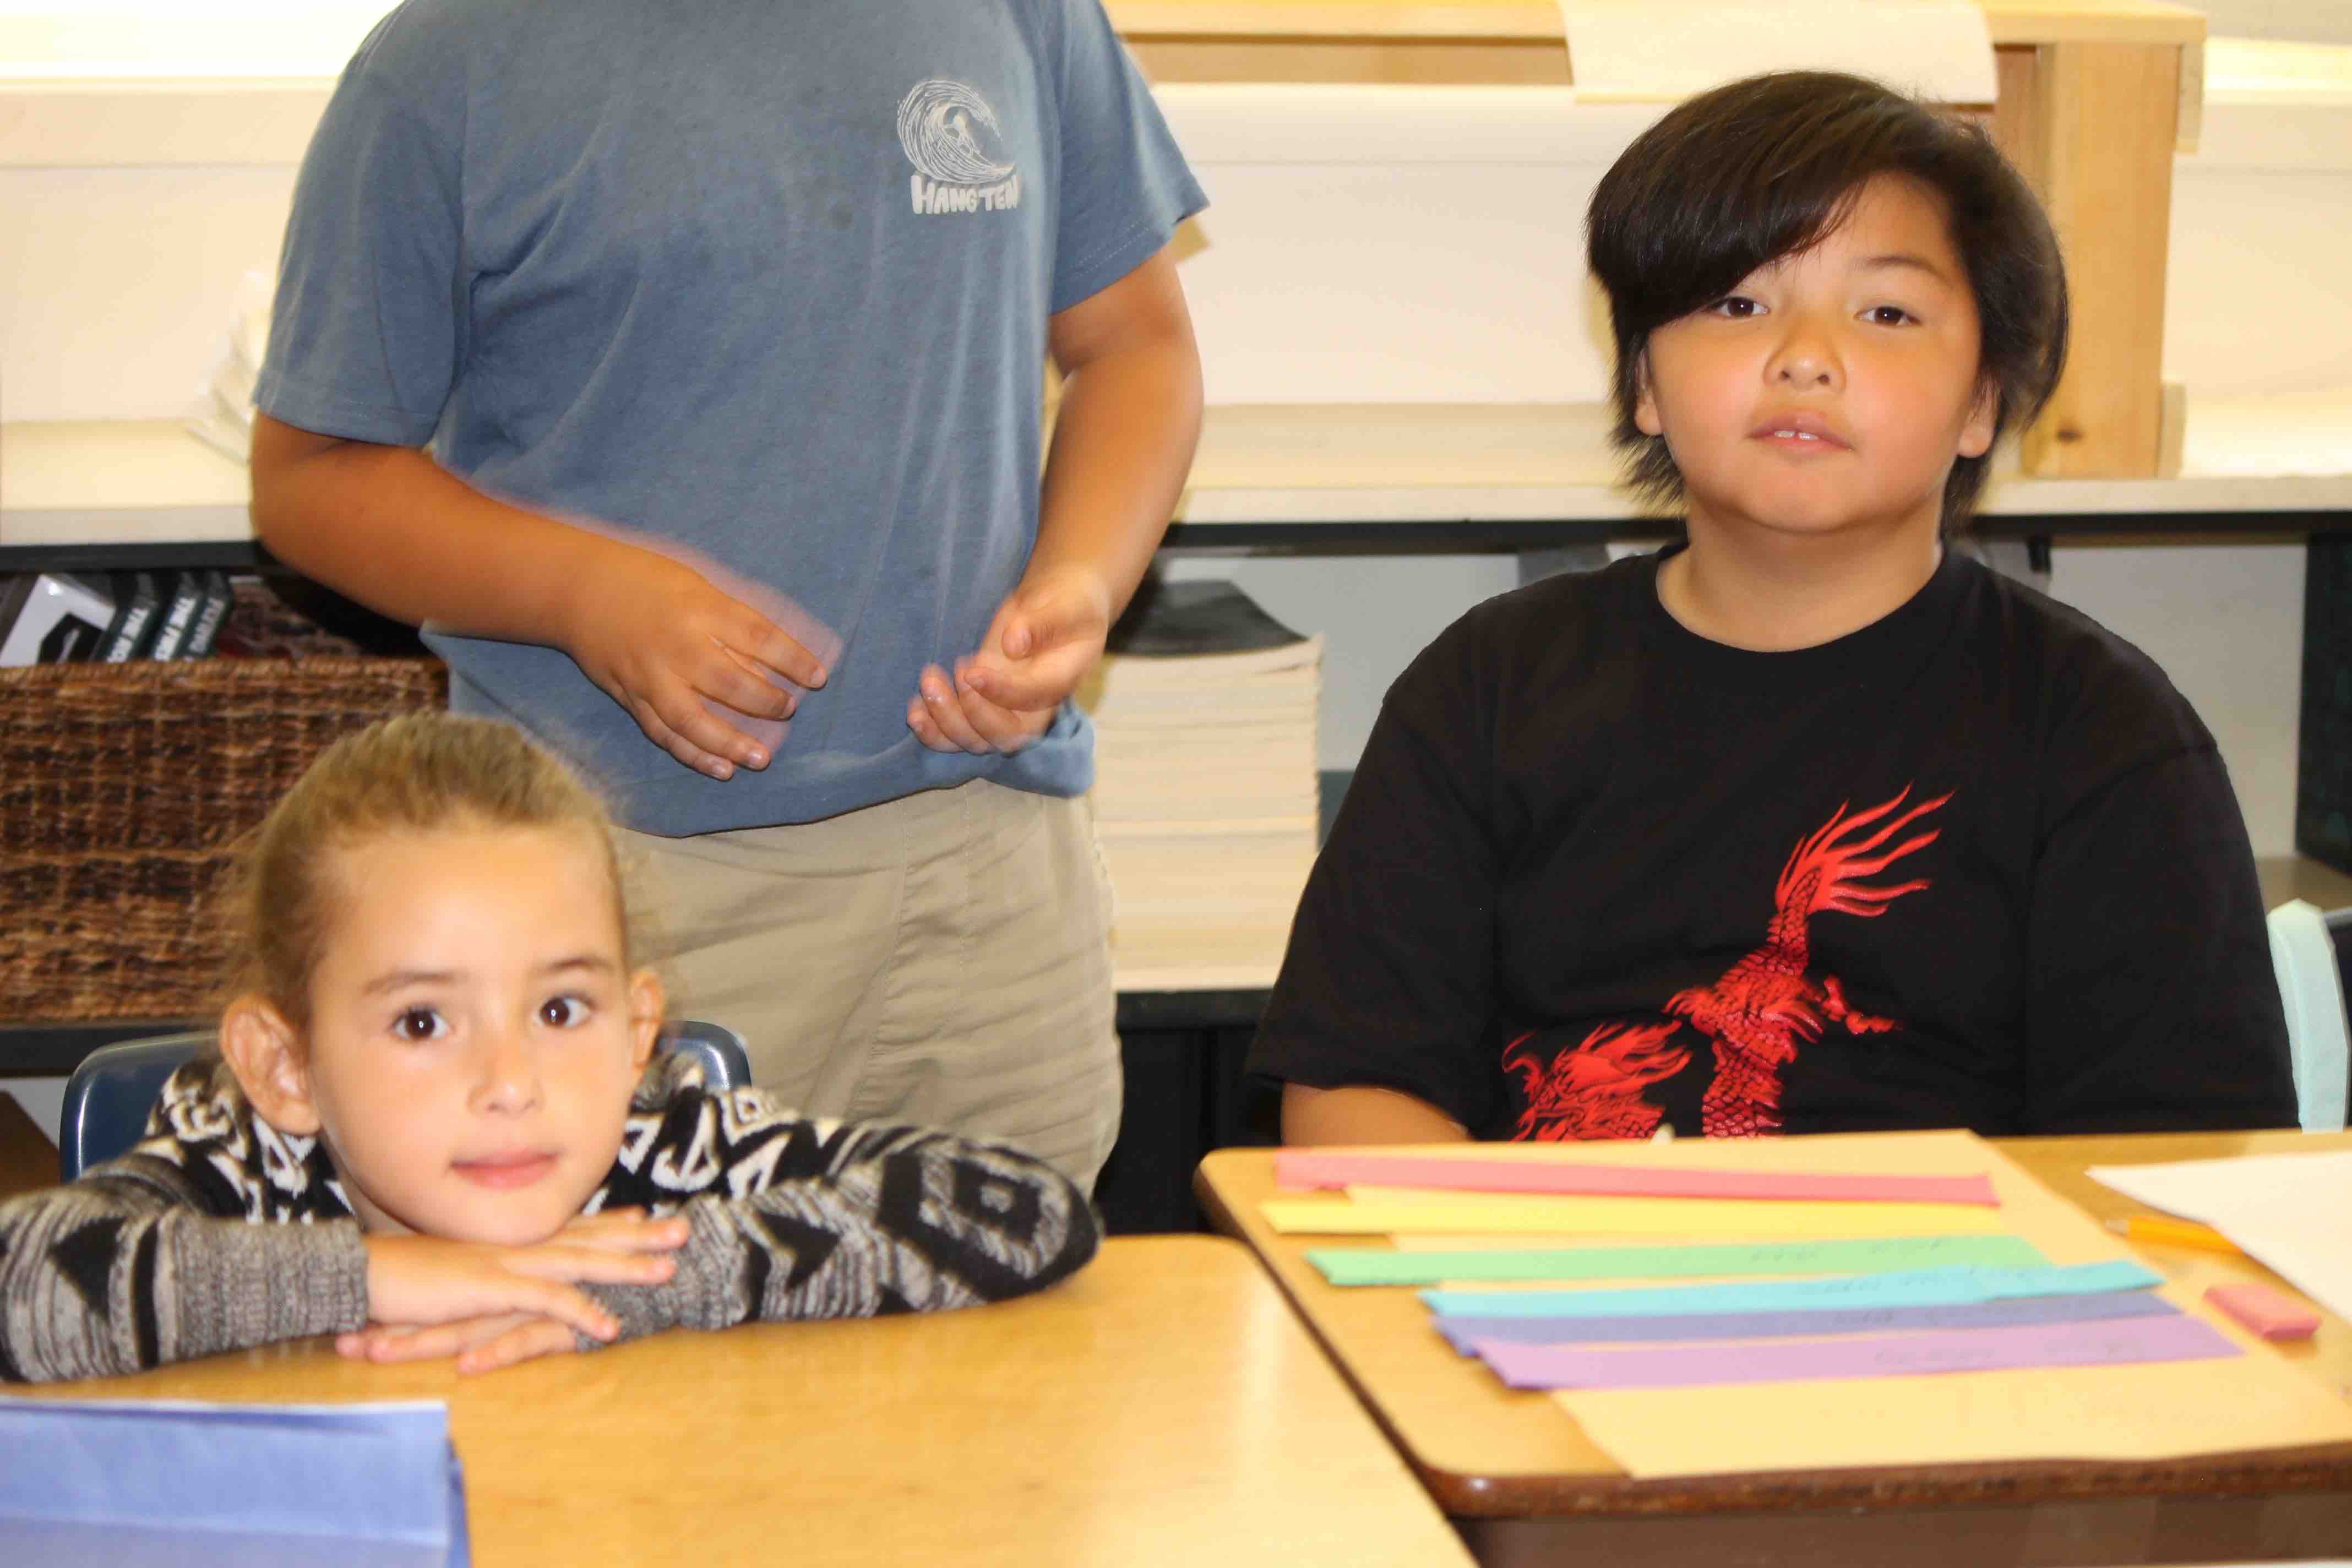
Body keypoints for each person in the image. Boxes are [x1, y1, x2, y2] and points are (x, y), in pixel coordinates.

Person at [246, 0, 1209, 1190]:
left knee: (1022, 1299)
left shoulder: (1027, 16)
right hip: (639, 891)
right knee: (636, 1307)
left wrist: (1083, 578)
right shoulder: (450, 62)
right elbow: (312, 477)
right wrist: (582, 594)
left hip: (997, 864)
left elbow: (1138, 347)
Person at [1250, 70, 2295, 1146]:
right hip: (1530, 1247)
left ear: (1982, 400)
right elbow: (1353, 1089)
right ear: (1644, 381)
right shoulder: (1490, 685)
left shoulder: (2101, 733)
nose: (1805, 357)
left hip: (1949, 1253)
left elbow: (2173, 1165)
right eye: (1738, 304)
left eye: (1886, 312)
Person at [0, 715, 1098, 1385]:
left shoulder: (671, 1139)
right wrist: (380, 1279)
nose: (512, 1084)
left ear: (636, 1033)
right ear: (287, 1067)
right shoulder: (245, 1157)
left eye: (563, 1010)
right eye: (423, 1022)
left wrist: (626, 1286)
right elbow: (20, 1284)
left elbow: (1027, 1210)